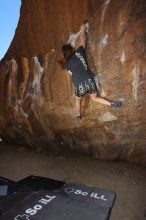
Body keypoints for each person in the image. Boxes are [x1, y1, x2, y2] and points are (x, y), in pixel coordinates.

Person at [60, 25, 122, 119]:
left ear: (65, 54)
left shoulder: (67, 64)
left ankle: (78, 114)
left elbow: (71, 74)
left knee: (78, 100)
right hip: (89, 80)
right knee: (95, 98)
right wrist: (82, 30)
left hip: (79, 85)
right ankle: (112, 104)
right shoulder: (79, 52)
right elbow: (83, 40)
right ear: (72, 49)